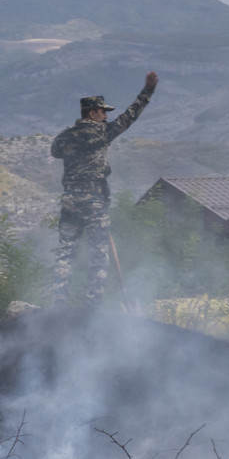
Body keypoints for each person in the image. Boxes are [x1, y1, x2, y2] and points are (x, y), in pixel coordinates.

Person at [51, 72, 157, 303]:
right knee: (98, 254)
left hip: (69, 200)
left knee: (65, 253)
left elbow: (55, 152)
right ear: (92, 113)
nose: (107, 117)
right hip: (94, 200)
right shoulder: (102, 132)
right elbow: (130, 116)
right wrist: (148, 91)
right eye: (103, 112)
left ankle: (58, 302)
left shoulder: (64, 136)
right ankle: (92, 303)